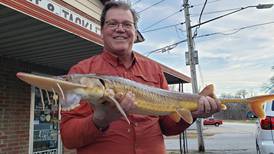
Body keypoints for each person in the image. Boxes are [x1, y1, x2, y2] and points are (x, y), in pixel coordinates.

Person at [60, 1, 221, 154]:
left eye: (127, 24)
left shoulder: (154, 70)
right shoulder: (81, 74)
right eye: (112, 23)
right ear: (101, 30)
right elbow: (68, 138)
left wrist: (193, 114)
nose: (120, 29)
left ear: (135, 33)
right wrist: (99, 120)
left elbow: (168, 127)